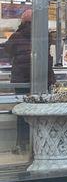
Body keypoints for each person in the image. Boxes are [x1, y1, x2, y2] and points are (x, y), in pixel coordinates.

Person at [3, 8, 55, 153]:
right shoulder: (44, 35)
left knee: (22, 113)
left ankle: (22, 144)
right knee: (41, 113)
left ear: (23, 21)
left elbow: (7, 50)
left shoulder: (17, 36)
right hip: (42, 80)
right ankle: (41, 144)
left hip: (22, 82)